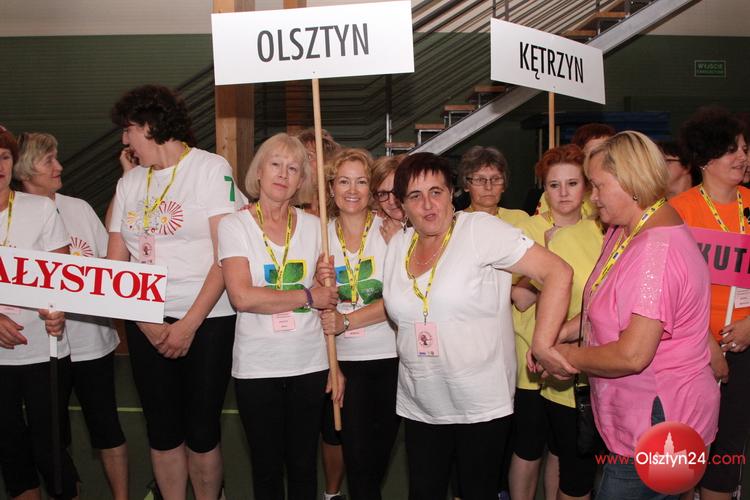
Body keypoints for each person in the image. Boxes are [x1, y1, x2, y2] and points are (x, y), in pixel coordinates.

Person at [382, 152, 573, 499]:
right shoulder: (398, 245)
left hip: (479, 402)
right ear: (402, 204)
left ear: (452, 193)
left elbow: (558, 271)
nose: (428, 204)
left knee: (476, 492)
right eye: (415, 196)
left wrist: (543, 343)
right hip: (421, 400)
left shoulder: (479, 230)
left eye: (436, 192)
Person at [552, 131, 720, 499]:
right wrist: (564, 333)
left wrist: (568, 357)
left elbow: (633, 355)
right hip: (639, 416)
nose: (592, 197)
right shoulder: (628, 229)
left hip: (661, 419)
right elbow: (607, 303)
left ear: (631, 183)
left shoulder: (654, 253)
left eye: (598, 186)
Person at [107, 84, 240, 500]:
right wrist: (146, 323)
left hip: (208, 320)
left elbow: (226, 257)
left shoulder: (210, 169)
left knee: (202, 430)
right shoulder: (130, 183)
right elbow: (116, 266)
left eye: (128, 129)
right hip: (146, 322)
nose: (125, 140)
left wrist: (188, 325)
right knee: (162, 429)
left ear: (149, 126)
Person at [217, 133, 341, 500]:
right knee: (267, 469)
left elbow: (328, 292)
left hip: (309, 362)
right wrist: (309, 295)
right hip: (258, 366)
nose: (283, 174)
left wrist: (325, 284)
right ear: (259, 171)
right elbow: (242, 296)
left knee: (303, 468)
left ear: (302, 180)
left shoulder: (316, 227)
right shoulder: (234, 226)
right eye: (275, 164)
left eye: (293, 168)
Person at [15, 132, 128, 499]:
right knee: (51, 436)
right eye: (49, 160)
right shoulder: (16, 217)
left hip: (92, 343)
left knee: (107, 427)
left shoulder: (78, 208)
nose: (60, 166)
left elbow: (109, 262)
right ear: (25, 170)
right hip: (43, 349)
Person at [510, 144, 601, 500]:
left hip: (584, 353)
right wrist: (549, 265)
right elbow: (520, 297)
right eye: (554, 185)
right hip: (533, 352)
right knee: (530, 445)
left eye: (572, 183)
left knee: (566, 451)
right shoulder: (529, 230)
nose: (563, 193)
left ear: (586, 186)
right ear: (543, 189)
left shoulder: (600, 228)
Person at [671, 108, 749, 500]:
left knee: (727, 452)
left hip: (745, 347)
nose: (743, 157)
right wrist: (707, 344)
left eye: (745, 149)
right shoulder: (679, 212)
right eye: (732, 150)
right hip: (691, 350)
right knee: (685, 451)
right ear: (705, 158)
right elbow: (670, 292)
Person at [315, 148, 400, 500]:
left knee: (377, 458)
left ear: (371, 189)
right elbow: (311, 302)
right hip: (343, 363)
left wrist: (346, 320)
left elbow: (398, 300)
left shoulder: (391, 232)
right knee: (358, 460)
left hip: (391, 359)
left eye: (361, 182)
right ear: (331, 188)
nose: (352, 190)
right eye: (344, 181)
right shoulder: (318, 236)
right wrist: (317, 284)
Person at [0, 126, 77, 499]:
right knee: (10, 450)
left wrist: (58, 311)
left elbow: (64, 277)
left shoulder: (40, 208)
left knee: (51, 450)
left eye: (3, 157)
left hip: (44, 350)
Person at [458, 145, 529, 226]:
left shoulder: (520, 219)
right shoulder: (456, 223)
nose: (489, 187)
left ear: (503, 185)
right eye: (480, 180)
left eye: (495, 179)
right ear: (466, 185)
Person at [371, 154, 406, 243]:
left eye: (397, 191)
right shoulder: (378, 226)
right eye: (383, 194)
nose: (391, 201)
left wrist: (398, 240)